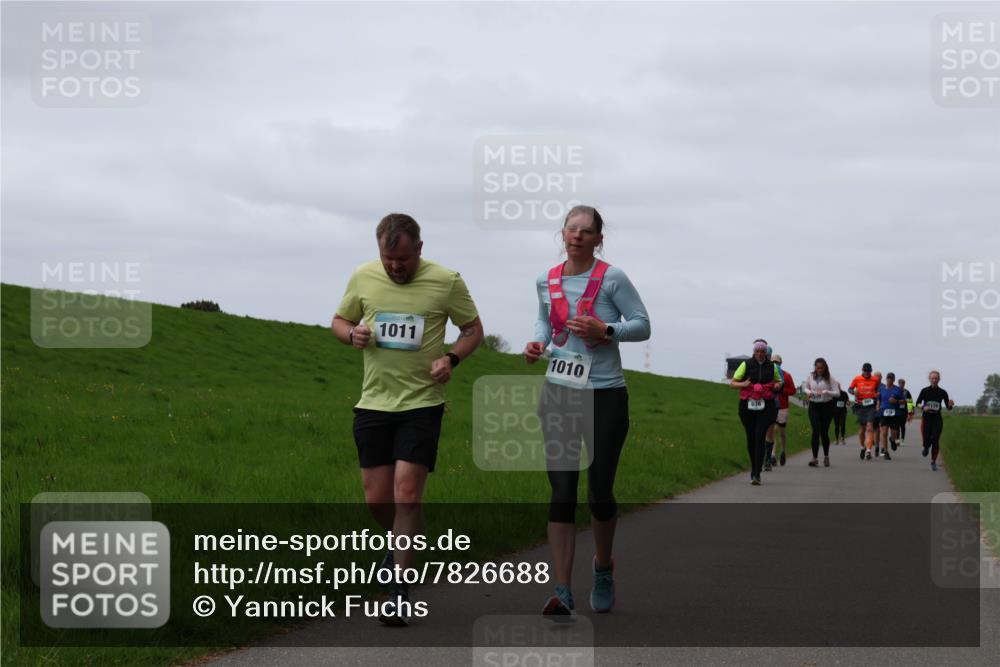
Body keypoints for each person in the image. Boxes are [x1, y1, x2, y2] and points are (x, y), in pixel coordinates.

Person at [332, 213, 484, 626]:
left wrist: (451, 358)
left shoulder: (447, 281)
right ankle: (400, 539)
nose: (396, 267)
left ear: (419, 249)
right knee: (377, 500)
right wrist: (352, 335)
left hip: (422, 403)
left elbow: (473, 329)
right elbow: (340, 321)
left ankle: (399, 592)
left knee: (407, 494)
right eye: (388, 259)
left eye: (403, 259)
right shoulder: (363, 276)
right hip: (374, 403)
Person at [523, 205, 650, 617]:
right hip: (559, 392)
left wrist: (606, 329)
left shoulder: (613, 278)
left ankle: (603, 567)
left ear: (598, 239)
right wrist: (537, 343)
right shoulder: (546, 280)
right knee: (562, 492)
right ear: (562, 234)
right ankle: (562, 589)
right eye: (571, 229)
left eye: (586, 231)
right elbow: (545, 323)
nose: (577, 236)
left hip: (605, 395)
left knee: (599, 492)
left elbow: (642, 324)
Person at [730, 339, 782, 486]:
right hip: (747, 405)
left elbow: (779, 382)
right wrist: (744, 384)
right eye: (757, 351)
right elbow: (732, 383)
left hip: (765, 406)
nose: (760, 354)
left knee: (760, 437)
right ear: (754, 352)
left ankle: (756, 473)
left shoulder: (772, 366)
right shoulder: (746, 364)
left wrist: (777, 385)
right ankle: (754, 467)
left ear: (766, 353)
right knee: (751, 438)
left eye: (762, 351)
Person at [802, 358, 840, 467]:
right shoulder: (810, 376)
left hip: (827, 406)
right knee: (816, 430)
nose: (819, 370)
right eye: (817, 368)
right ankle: (814, 458)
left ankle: (826, 456)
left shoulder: (830, 378)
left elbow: (837, 393)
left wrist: (826, 392)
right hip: (814, 406)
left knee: (824, 432)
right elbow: (805, 387)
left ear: (825, 368)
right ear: (815, 367)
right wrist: (809, 392)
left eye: (821, 368)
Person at [915, 370, 955, 471]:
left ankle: (933, 462)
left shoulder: (943, 392)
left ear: (939, 379)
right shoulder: (924, 391)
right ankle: (926, 447)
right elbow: (917, 403)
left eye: (936, 378)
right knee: (926, 439)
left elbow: (948, 407)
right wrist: (923, 407)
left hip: (937, 418)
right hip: (926, 418)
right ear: (929, 379)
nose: (934, 380)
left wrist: (950, 405)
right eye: (932, 378)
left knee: (935, 440)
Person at [848, 363, 880, 461]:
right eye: (865, 371)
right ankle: (862, 447)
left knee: (870, 427)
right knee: (862, 429)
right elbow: (850, 389)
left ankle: (868, 451)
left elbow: (878, 391)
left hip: (871, 406)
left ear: (870, 371)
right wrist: (854, 392)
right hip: (860, 406)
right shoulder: (857, 379)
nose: (866, 373)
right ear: (862, 370)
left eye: (868, 371)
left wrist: (877, 398)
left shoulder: (875, 380)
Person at [769, 353, 796, 466]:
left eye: (777, 362)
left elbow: (793, 390)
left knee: (781, 432)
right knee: (773, 430)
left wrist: (782, 390)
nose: (775, 364)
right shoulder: (768, 374)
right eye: (773, 362)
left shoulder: (786, 375)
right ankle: (772, 455)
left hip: (783, 406)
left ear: (781, 363)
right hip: (771, 405)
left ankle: (783, 451)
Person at [877, 372, 905, 461]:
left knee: (894, 434)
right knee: (884, 432)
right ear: (886, 379)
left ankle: (892, 440)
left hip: (895, 414)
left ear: (893, 380)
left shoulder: (898, 389)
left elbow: (903, 401)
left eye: (891, 378)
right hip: (884, 413)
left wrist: (896, 401)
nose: (889, 380)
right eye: (888, 378)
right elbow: (879, 399)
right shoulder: (881, 389)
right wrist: (877, 406)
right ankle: (886, 452)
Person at [898, 378, 914, 445]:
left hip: (904, 411)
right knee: (897, 426)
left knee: (902, 426)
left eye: (903, 384)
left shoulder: (907, 392)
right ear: (898, 384)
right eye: (900, 383)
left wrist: (910, 413)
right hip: (897, 411)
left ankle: (902, 440)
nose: (901, 385)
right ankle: (897, 440)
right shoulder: (896, 391)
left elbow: (910, 403)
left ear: (904, 384)